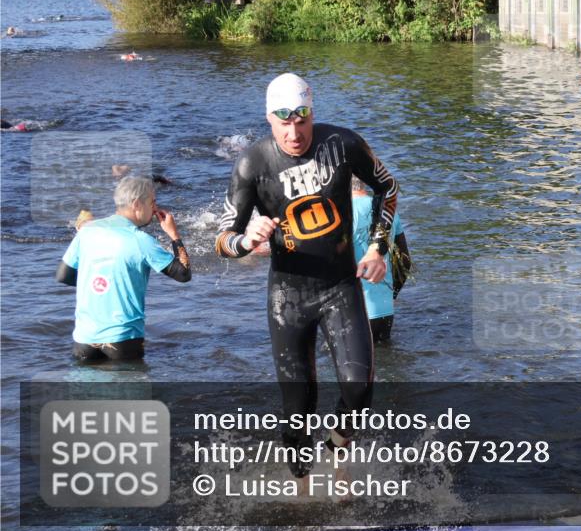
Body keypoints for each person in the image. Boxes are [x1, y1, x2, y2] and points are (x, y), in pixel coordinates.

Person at [215, 72, 398, 480]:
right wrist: (246, 241)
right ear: (269, 119)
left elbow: (387, 186)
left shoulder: (343, 144)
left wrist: (377, 247)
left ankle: (336, 446)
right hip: (289, 296)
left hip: (339, 286)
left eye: (302, 120)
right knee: (298, 407)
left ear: (312, 114)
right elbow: (222, 239)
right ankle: (301, 490)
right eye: (285, 123)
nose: (295, 133)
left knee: (359, 387)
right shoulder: (253, 164)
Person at [56, 176, 192, 362]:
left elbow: (63, 275)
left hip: (84, 338)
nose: (155, 209)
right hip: (123, 339)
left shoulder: (87, 231)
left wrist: (102, 285)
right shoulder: (141, 240)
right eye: (152, 202)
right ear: (136, 204)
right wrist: (174, 235)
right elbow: (183, 274)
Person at [351, 176, 410, 342]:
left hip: (352, 312)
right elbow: (405, 263)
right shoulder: (388, 212)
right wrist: (390, 295)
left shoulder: (340, 213)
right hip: (385, 311)